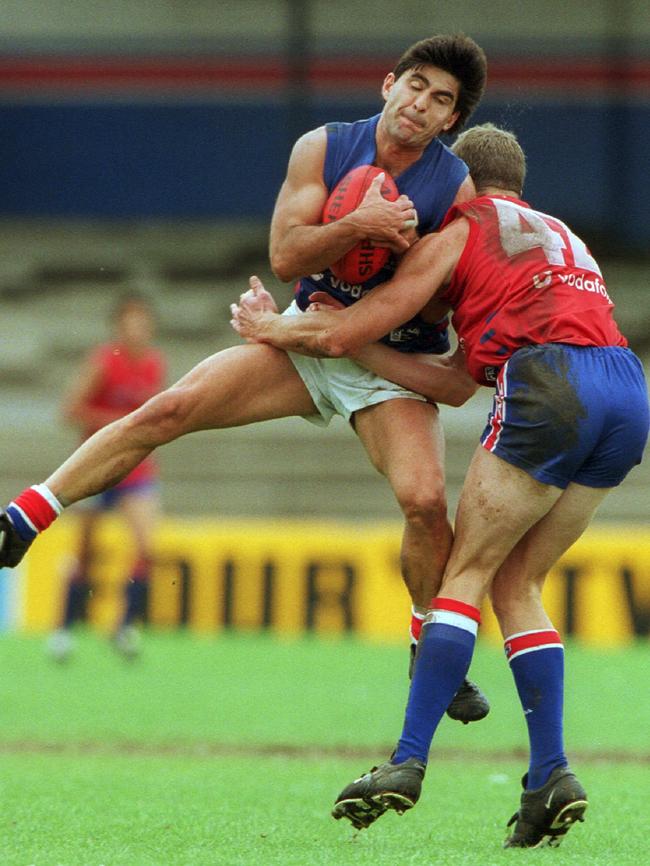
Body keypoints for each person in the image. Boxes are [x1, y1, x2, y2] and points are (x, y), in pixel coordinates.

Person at [0, 35, 489, 721]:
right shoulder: (320, 147)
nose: (421, 104)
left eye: (441, 100)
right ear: (388, 84)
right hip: (306, 339)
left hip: (386, 357)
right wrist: (360, 225)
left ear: (450, 123)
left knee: (425, 499)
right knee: (169, 410)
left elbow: (388, 314)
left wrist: (299, 325)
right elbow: (287, 253)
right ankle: (26, 516)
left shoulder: (453, 192)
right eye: (416, 85)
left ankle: (425, 643)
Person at [229, 124, 650, 848]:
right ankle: (550, 773)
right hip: (627, 390)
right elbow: (456, 384)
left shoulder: (458, 228)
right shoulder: (557, 232)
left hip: (551, 380)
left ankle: (407, 761)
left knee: (467, 572)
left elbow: (344, 333)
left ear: (457, 175)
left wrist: (276, 327)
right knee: (519, 581)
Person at [47, 293, 166, 660]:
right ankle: (64, 630)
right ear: (118, 327)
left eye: (143, 323)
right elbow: (70, 410)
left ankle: (125, 627)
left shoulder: (153, 365)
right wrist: (118, 426)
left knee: (147, 546)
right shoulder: (103, 362)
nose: (138, 330)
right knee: (86, 552)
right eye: (132, 323)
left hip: (135, 469)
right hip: (97, 469)